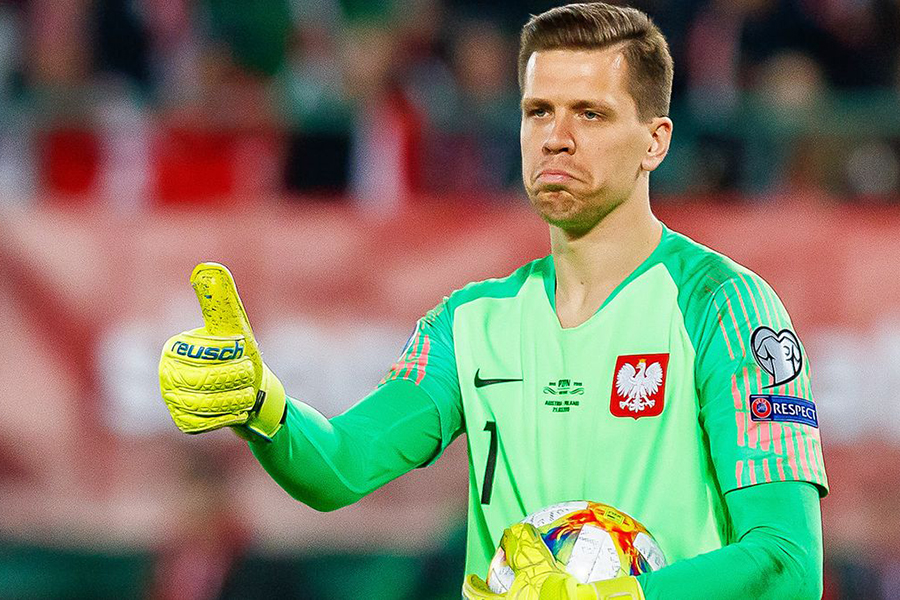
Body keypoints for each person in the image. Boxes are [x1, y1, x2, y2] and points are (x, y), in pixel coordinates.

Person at [158, 3, 828, 598]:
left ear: (655, 141)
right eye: (539, 111)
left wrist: (611, 598)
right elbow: (341, 466)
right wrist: (261, 406)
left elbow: (788, 563)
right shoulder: (468, 323)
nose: (556, 137)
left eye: (590, 113)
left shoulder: (725, 307)